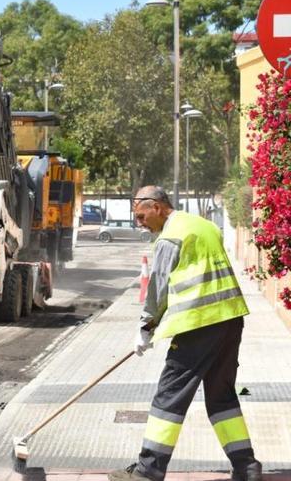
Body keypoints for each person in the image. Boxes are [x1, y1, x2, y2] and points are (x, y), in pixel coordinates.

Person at [109, 186, 261, 481]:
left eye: (141, 216)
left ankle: (147, 471)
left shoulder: (169, 239)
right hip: (230, 320)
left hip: (197, 324)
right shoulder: (204, 226)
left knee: (169, 397)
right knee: (221, 396)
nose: (140, 222)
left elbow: (158, 288)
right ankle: (247, 467)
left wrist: (145, 328)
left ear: (156, 206)